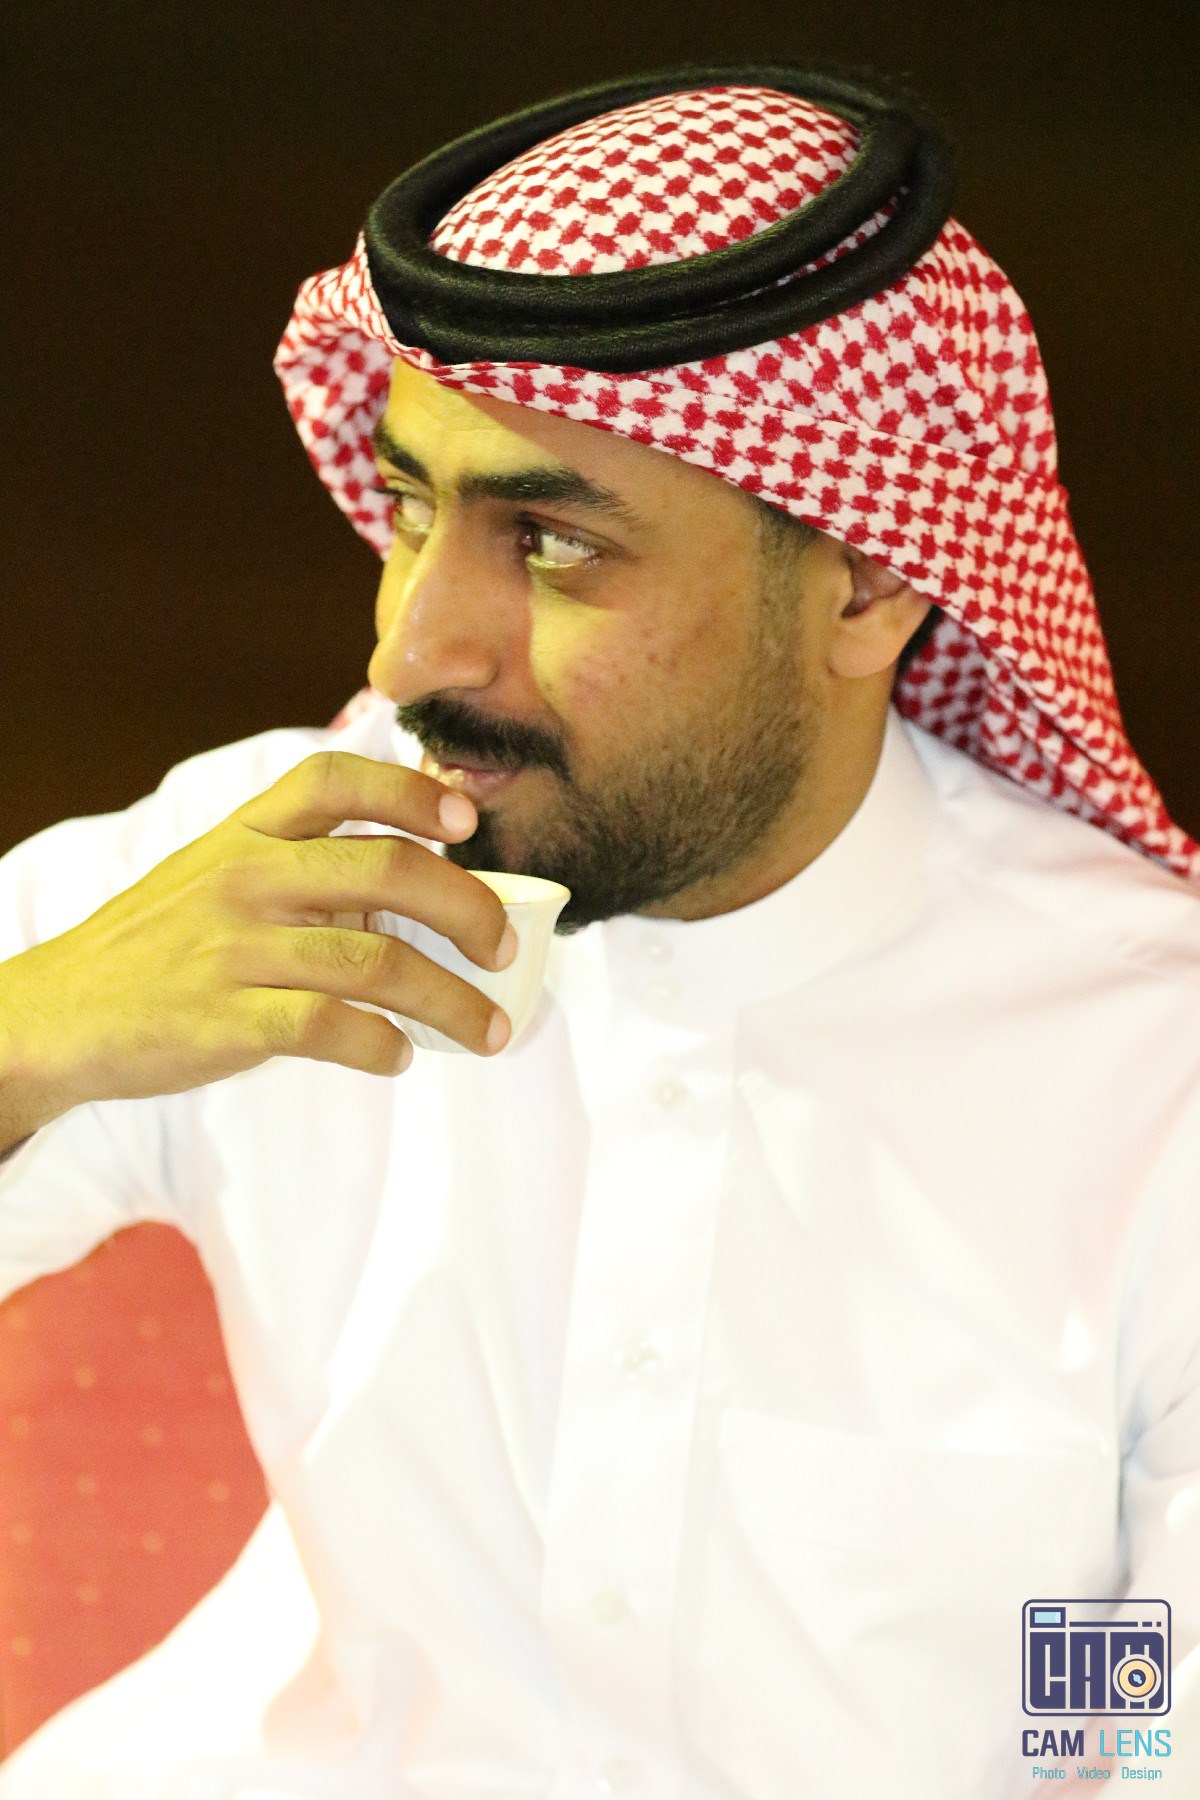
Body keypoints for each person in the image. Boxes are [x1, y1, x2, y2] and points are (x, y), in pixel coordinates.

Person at [1, 64, 1198, 1800]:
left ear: (870, 580)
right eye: (414, 509)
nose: (413, 648)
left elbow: (1139, 1743)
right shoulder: (274, 871)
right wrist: (29, 1030)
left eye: (553, 544)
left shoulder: (1150, 1083)